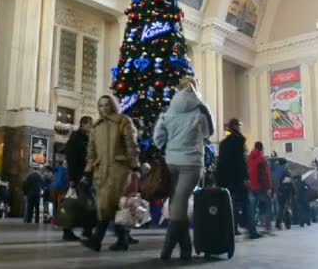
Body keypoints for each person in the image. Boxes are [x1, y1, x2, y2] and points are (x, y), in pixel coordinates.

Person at [154, 77, 213, 260]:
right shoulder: (201, 109)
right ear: (196, 88)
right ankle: (169, 250)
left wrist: (170, 146)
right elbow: (208, 133)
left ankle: (183, 249)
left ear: (178, 89)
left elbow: (158, 139)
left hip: (172, 162)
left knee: (176, 205)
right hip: (192, 163)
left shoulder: (168, 110)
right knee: (179, 206)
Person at [81, 95, 141, 252]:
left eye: (107, 105)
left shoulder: (123, 121)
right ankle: (122, 240)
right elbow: (91, 150)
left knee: (108, 204)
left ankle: (96, 240)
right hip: (101, 171)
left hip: (119, 169)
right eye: (100, 106)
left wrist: (134, 165)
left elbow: (131, 144)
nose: (104, 108)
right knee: (111, 206)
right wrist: (88, 169)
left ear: (112, 105)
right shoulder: (96, 126)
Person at [215, 118, 260, 239]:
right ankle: (251, 230)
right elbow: (241, 162)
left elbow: (220, 162)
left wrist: (219, 180)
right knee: (247, 203)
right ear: (235, 126)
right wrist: (246, 178)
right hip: (238, 178)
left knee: (231, 205)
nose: (241, 127)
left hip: (226, 178)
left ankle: (233, 228)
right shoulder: (239, 140)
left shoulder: (223, 143)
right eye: (239, 125)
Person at [61, 116, 93, 240]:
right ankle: (70, 231)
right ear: (83, 124)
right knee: (79, 204)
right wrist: (73, 179)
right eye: (90, 124)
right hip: (79, 177)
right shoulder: (76, 139)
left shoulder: (85, 139)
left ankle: (86, 229)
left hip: (85, 177)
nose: (91, 127)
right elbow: (72, 160)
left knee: (85, 204)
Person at [248, 141, 273, 233]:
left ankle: (251, 226)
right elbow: (265, 174)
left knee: (253, 207)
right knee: (268, 204)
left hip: (252, 186)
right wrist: (268, 187)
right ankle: (267, 224)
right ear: (261, 148)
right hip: (261, 186)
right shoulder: (261, 158)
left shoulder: (250, 158)